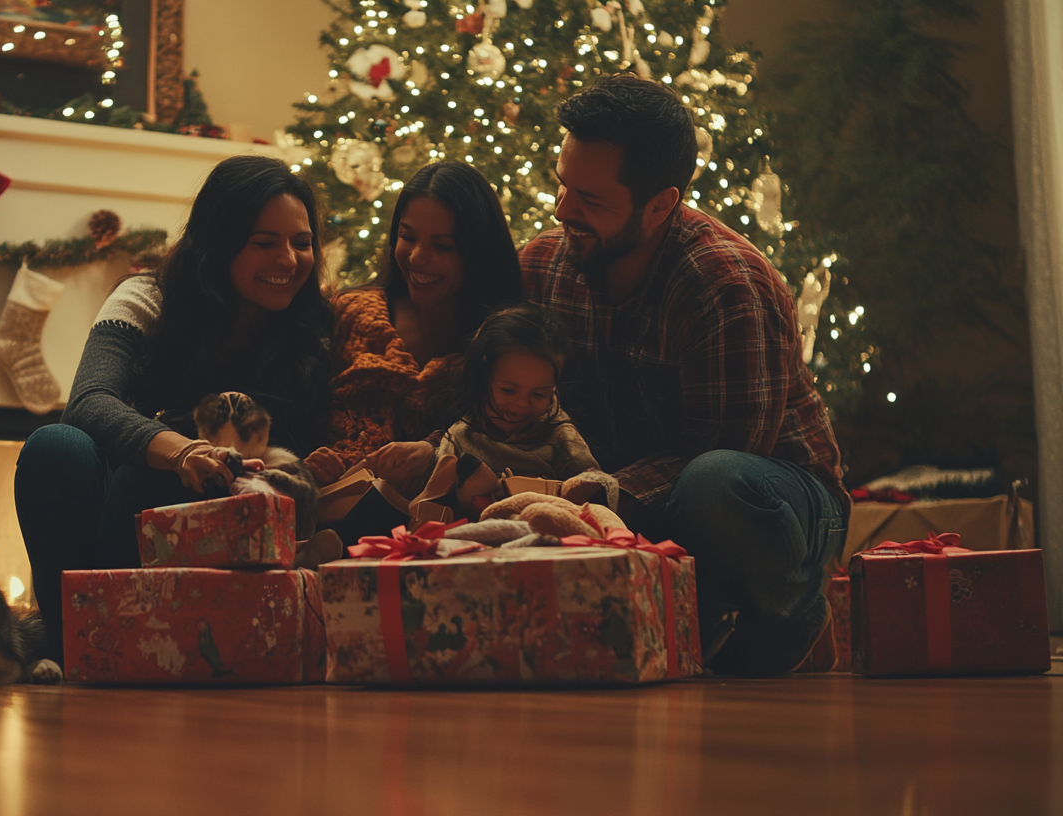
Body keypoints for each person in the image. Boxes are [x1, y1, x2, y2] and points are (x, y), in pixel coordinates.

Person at [521, 73, 850, 676]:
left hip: (773, 501)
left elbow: (725, 447)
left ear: (660, 205)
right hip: (631, 502)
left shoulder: (725, 284)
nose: (563, 210)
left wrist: (603, 496)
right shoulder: (542, 267)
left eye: (590, 200)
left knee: (713, 483)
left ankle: (795, 611)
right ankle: (709, 617)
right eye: (564, 187)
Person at [14, 155, 332, 658]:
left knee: (149, 482)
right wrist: (182, 451)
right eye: (264, 243)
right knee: (56, 447)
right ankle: (68, 637)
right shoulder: (146, 297)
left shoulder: (315, 328)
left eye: (302, 242)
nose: (289, 260)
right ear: (220, 244)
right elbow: (90, 401)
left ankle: (102, 641)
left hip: (229, 535)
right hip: (116, 500)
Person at [305, 160, 524, 497]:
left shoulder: (503, 342)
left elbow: (528, 444)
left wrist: (437, 450)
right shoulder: (350, 314)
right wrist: (319, 465)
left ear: (477, 252)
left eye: (443, 246)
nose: (417, 257)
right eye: (407, 237)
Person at [434, 302, 602, 482]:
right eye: (508, 390)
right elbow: (435, 494)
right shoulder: (461, 434)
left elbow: (594, 484)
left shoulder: (561, 438)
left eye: (539, 394)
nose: (522, 403)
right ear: (481, 378)